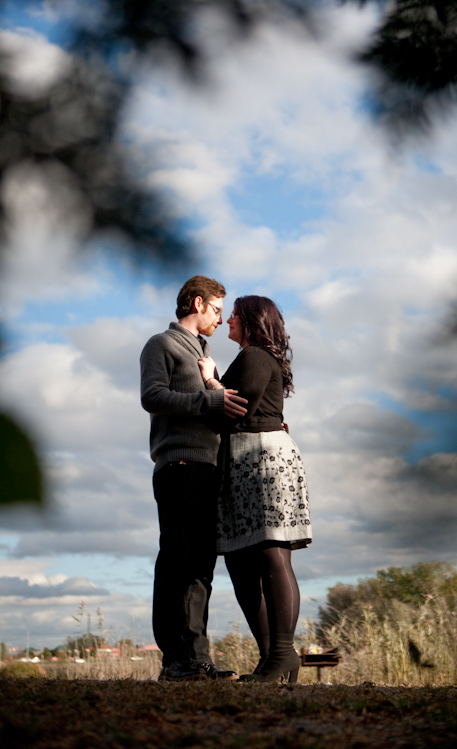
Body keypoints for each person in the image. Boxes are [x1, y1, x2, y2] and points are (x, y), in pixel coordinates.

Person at [140, 275, 248, 683]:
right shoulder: (161, 344)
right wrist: (210, 398)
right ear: (198, 303)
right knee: (177, 561)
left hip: (209, 469)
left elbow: (219, 407)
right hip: (179, 466)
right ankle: (174, 660)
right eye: (217, 310)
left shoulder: (205, 353)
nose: (220, 319)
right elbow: (152, 396)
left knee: (202, 567)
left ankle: (198, 658)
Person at [198, 295, 312, 684]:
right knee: (239, 560)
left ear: (251, 321)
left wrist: (210, 378)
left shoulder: (256, 356)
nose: (227, 319)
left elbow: (235, 407)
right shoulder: (252, 358)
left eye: (234, 314)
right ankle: (271, 659)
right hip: (243, 461)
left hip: (263, 459)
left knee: (271, 552)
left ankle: (282, 653)